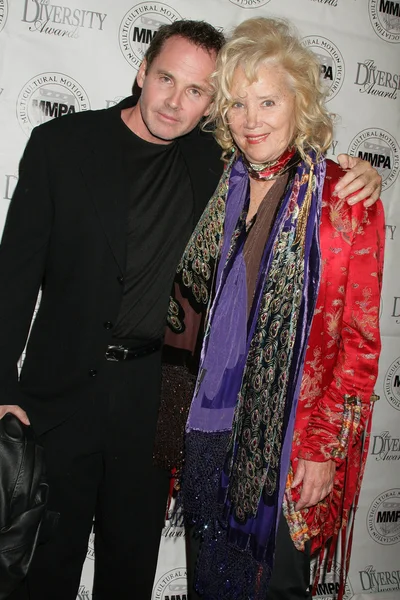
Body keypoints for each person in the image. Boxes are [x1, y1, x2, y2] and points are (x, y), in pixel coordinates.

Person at [0, 19, 381, 600]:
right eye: (166, 80)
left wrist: (363, 173)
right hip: (59, 400)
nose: (176, 102)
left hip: (155, 406)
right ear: (141, 72)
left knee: (132, 573)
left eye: (198, 91)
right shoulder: (63, 146)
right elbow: (14, 276)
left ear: (210, 106)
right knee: (45, 573)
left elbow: (298, 169)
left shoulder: (220, 164)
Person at [163, 17, 385, 600]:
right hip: (209, 428)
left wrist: (321, 449)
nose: (251, 120)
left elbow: (359, 343)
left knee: (273, 587)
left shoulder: (343, 199)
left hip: (288, 443)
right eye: (236, 104)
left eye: (267, 100)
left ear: (300, 102)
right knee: (211, 586)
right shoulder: (219, 182)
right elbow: (147, 125)